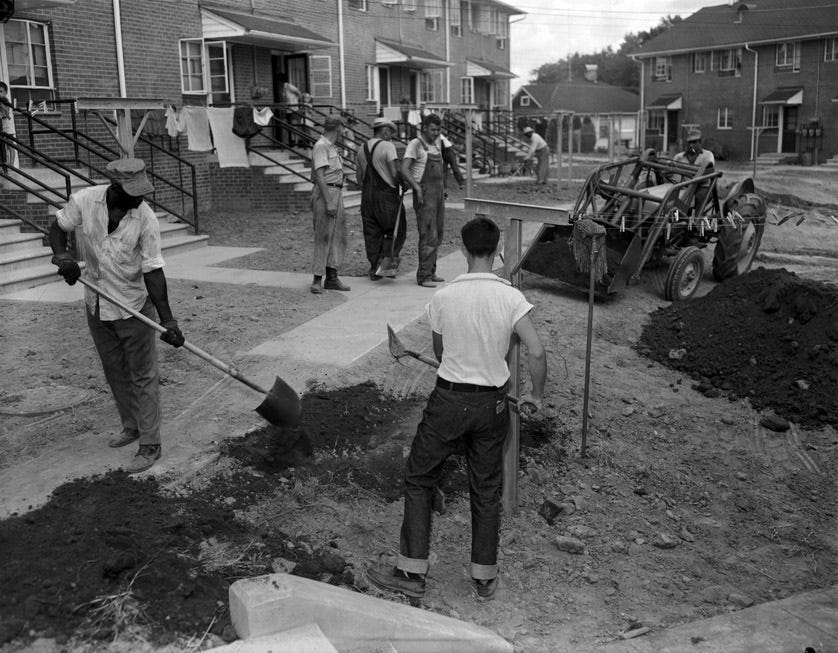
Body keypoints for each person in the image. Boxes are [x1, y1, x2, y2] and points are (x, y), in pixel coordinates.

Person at [367, 216, 547, 601]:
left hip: (449, 401)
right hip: (493, 405)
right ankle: (484, 577)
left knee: (419, 478)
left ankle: (411, 572)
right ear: (497, 250)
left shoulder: (444, 297)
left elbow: (439, 352)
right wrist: (536, 395)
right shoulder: (510, 296)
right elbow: (536, 350)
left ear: (464, 250)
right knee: (485, 488)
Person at [48, 158, 185, 474]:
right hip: (96, 302)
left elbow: (153, 270)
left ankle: (150, 443)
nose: (139, 198)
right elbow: (57, 228)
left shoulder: (146, 218)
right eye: (133, 192)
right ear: (114, 187)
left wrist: (168, 320)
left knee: (143, 374)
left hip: (133, 306)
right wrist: (63, 257)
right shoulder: (85, 200)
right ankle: (132, 426)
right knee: (114, 369)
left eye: (142, 191)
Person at [356, 116, 405, 280]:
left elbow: (358, 178)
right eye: (390, 132)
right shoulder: (387, 146)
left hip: (367, 197)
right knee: (396, 230)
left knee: (372, 233)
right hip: (386, 197)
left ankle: (374, 267)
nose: (391, 136)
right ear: (385, 131)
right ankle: (385, 264)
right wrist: (403, 183)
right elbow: (394, 172)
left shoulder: (361, 148)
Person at [401, 113, 447, 288]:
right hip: (424, 192)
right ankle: (424, 275)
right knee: (428, 234)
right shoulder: (415, 144)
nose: (436, 133)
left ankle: (431, 271)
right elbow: (404, 169)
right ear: (424, 128)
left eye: (438, 129)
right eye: (433, 129)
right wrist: (417, 188)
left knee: (439, 232)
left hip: (438, 192)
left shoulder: (437, 144)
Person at [310, 114, 350, 294]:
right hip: (327, 192)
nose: (344, 131)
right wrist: (328, 201)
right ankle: (317, 279)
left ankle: (332, 277)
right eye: (343, 127)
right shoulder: (321, 146)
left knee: (337, 236)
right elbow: (319, 176)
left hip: (337, 191)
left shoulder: (332, 147)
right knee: (323, 236)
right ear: (338, 127)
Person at [673, 129, 715, 213]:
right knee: (674, 197)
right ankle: (679, 216)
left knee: (699, 197)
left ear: (700, 142)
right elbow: (671, 170)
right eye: (689, 143)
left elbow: (709, 170)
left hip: (702, 186)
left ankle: (697, 219)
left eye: (694, 142)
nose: (691, 145)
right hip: (685, 186)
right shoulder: (679, 157)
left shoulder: (708, 155)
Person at [0, 81, 14, 171]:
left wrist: (1, 106)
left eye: (1, 91)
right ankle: (4, 167)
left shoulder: (6, 101)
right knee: (3, 148)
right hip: (2, 127)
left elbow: (6, 114)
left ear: (6, 92)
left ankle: (11, 167)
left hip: (8, 128)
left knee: (10, 147)